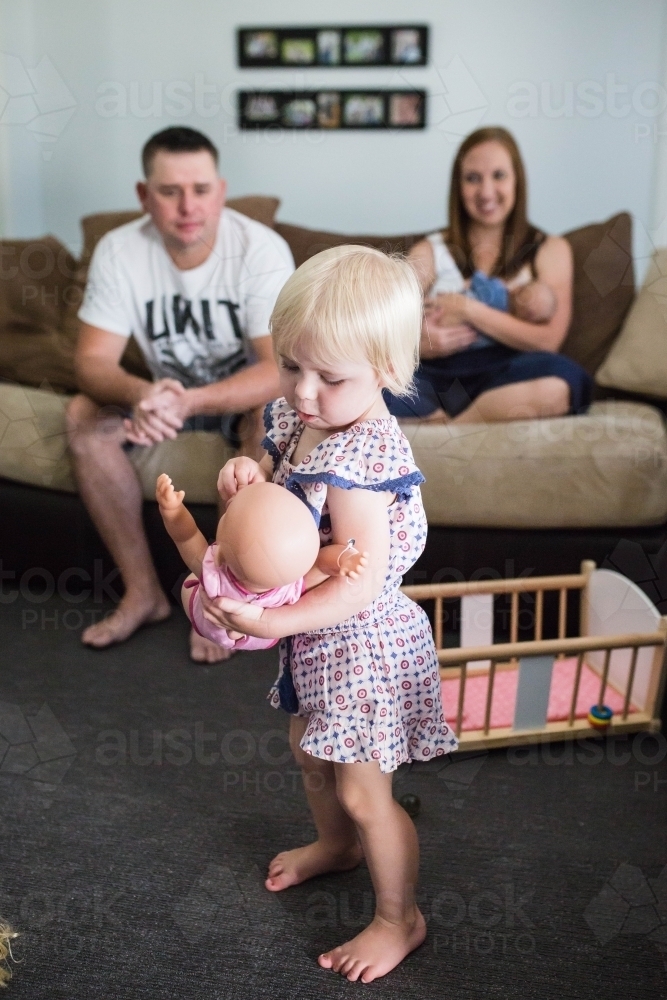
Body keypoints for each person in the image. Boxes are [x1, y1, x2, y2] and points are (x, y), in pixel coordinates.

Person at [200, 245, 458, 983]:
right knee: (308, 749)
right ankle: (336, 847)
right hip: (319, 637)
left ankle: (396, 916)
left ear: (384, 370)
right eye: (291, 364)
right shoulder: (296, 413)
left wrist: (271, 623)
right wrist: (246, 479)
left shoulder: (366, 458)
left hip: (361, 640)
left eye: (329, 376)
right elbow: (280, 501)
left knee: (361, 786)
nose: (304, 391)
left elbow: (360, 581)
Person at [66, 126, 294, 662]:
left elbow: (277, 371)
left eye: (200, 189)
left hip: (232, 398)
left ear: (221, 189)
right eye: (169, 191)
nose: (188, 205)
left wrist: (187, 401)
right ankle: (143, 592)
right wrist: (143, 393)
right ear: (145, 196)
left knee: (274, 419)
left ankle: (224, 602)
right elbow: (90, 363)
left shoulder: (259, 250)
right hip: (161, 395)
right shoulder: (119, 250)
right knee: (82, 418)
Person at [385, 126, 592, 424]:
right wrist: (418, 347)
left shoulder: (550, 249)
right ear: (458, 186)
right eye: (472, 178)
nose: (486, 192)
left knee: (564, 381)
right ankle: (438, 418)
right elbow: (382, 325)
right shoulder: (430, 251)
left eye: (499, 176)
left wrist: (468, 309)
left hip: (508, 373)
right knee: (369, 383)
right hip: (435, 373)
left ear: (517, 180)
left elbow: (548, 341)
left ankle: (453, 429)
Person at [155, 474, 368, 650]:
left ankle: (233, 628)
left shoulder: (214, 572)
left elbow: (186, 536)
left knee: (190, 584)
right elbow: (322, 564)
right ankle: (238, 630)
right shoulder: (288, 588)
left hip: (209, 618)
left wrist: (172, 510)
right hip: (263, 637)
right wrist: (343, 559)